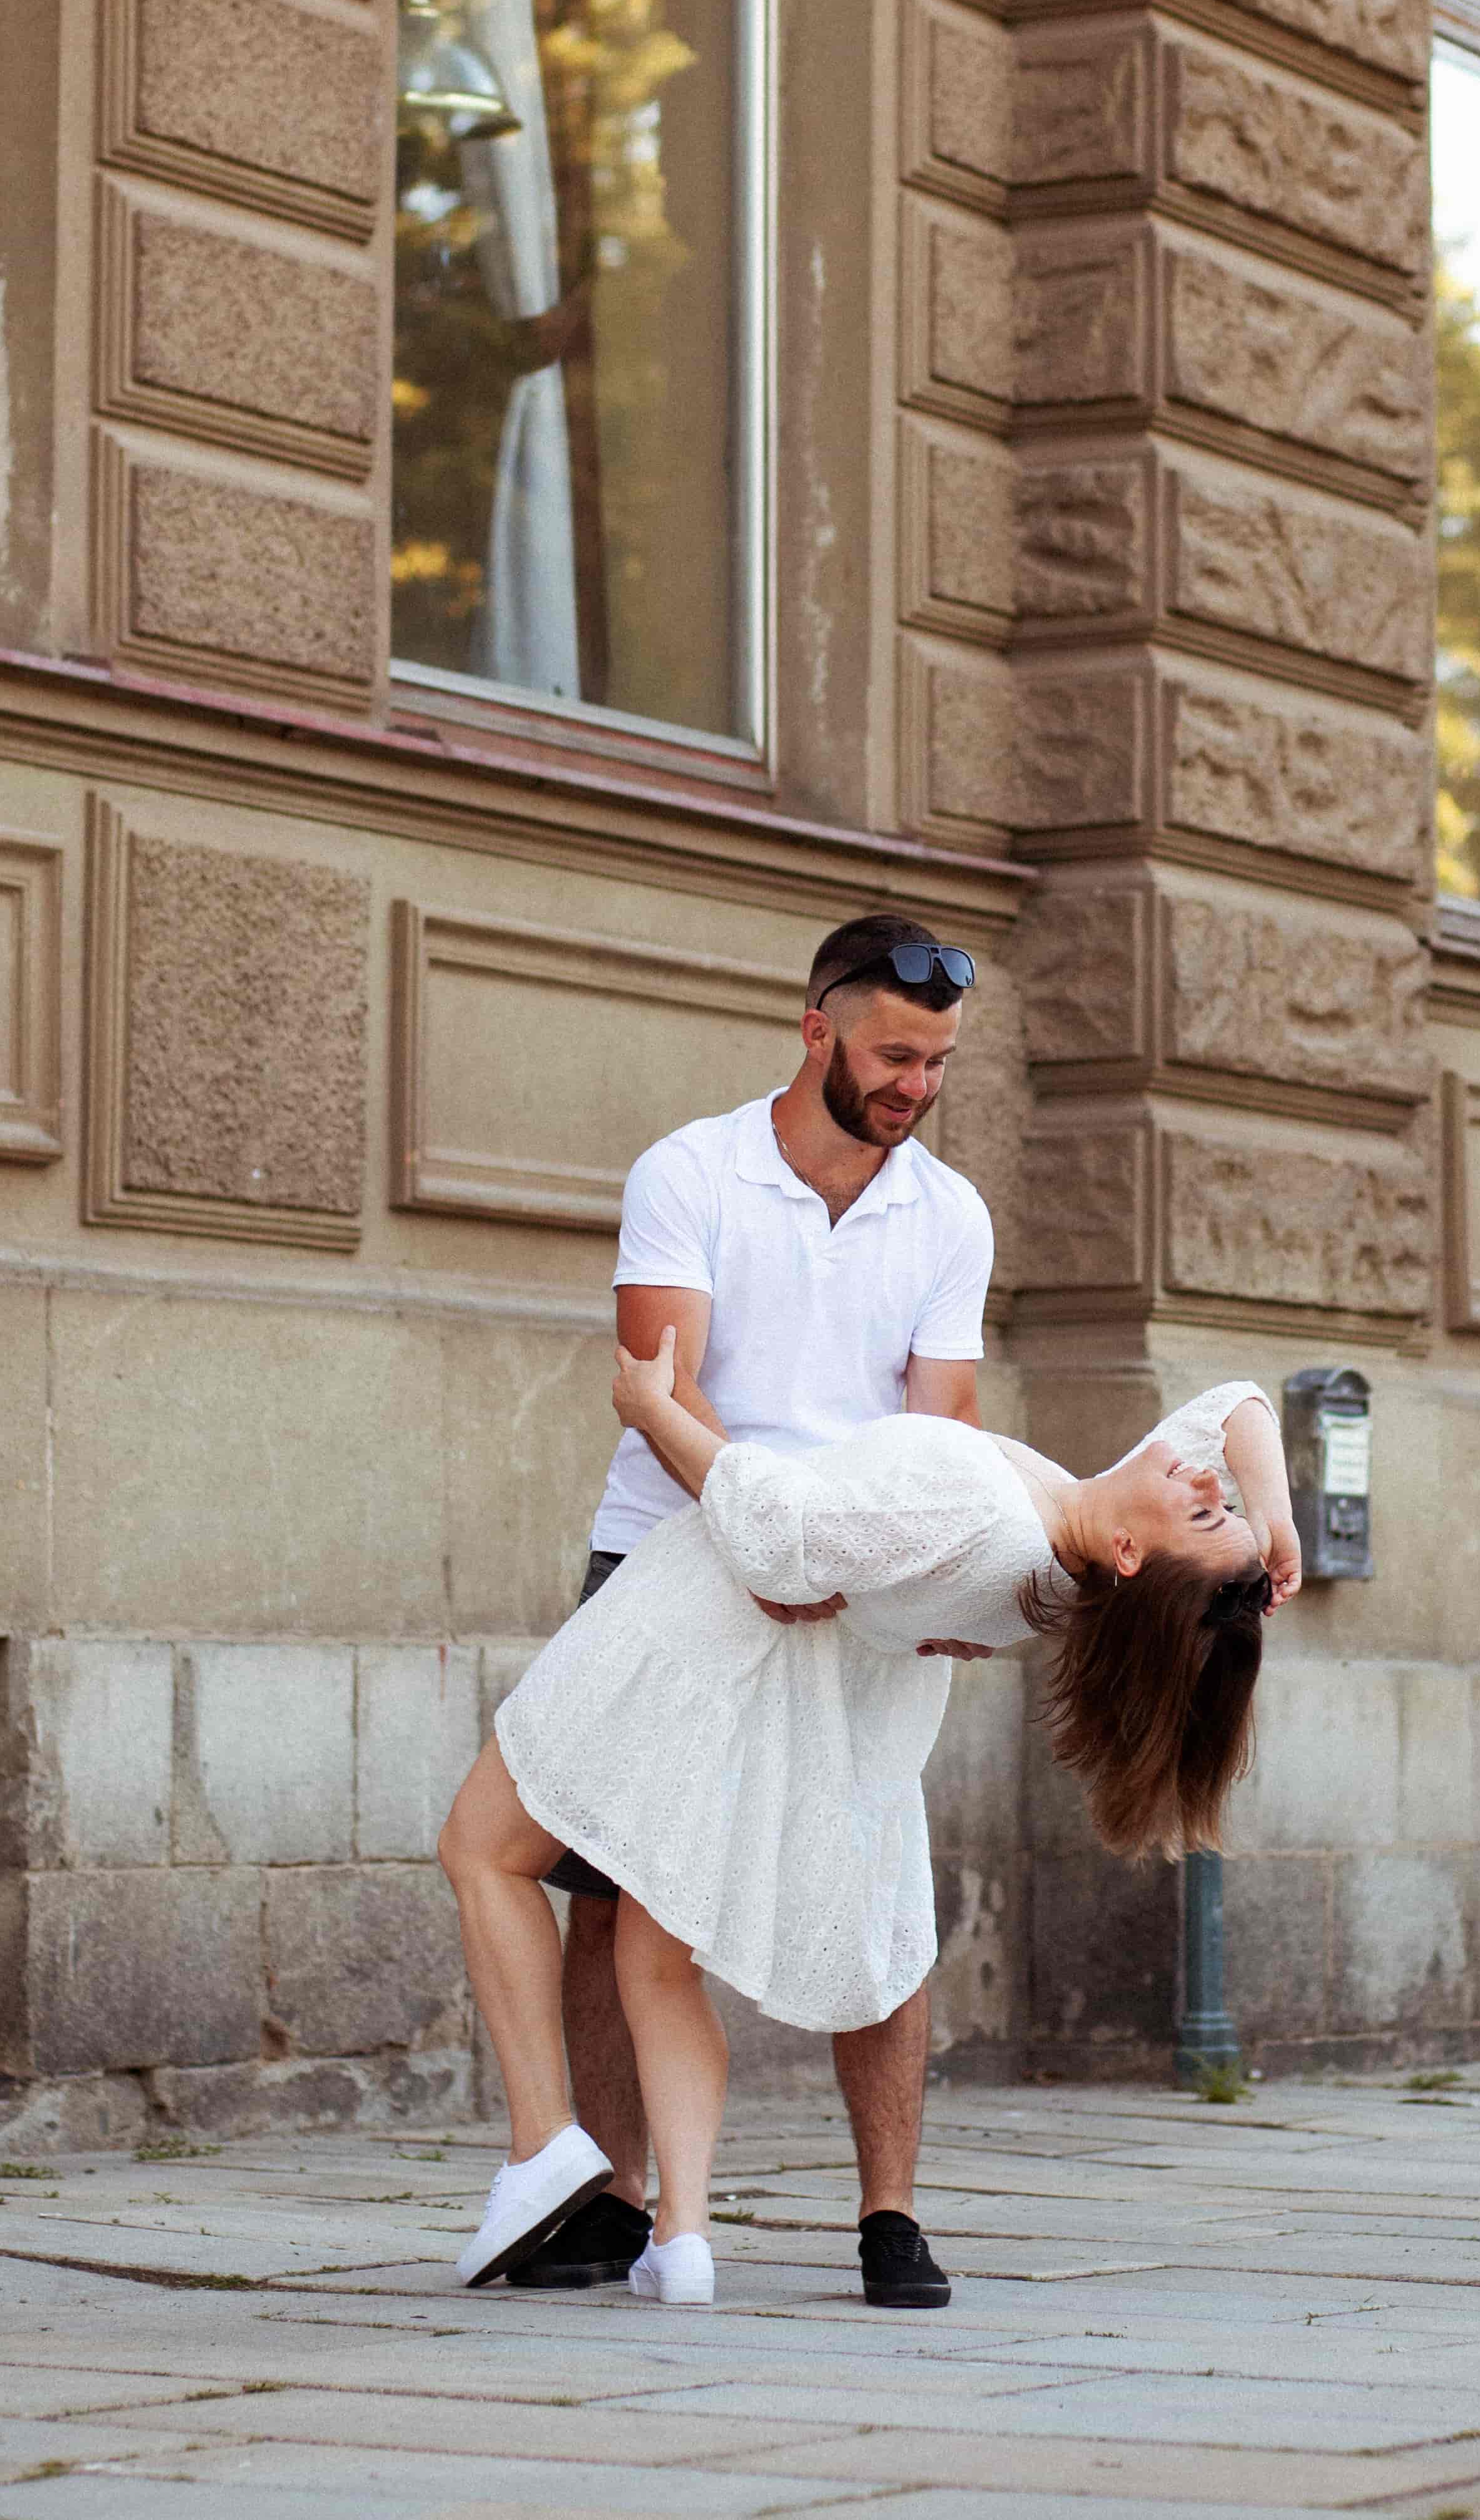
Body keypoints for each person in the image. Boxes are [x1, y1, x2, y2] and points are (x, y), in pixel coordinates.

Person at [439, 1347, 1298, 2304]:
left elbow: (776, 1536)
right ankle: (680, 2239)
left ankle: (544, 2143)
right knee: (655, 1963)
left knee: (483, 1850)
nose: (1208, 1482)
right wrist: (1269, 1523)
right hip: (755, 1696)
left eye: (1207, 1510)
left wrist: (649, 1406)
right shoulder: (1066, 1572)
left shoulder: (981, 1515)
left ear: (1132, 1555)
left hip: (686, 1646)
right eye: (1218, 1500)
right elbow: (1232, 1407)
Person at [491, 910, 998, 2311]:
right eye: (892, 1056)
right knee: (608, 1886)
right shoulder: (689, 1170)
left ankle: (888, 2216)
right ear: (815, 1028)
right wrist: (772, 1535)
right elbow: (668, 1393)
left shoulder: (948, 1215)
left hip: (856, 1578)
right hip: (669, 1555)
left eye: (937, 1063)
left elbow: (940, 1428)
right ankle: (613, 2202)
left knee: (874, 1889)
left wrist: (909, 1566)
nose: (914, 1087)